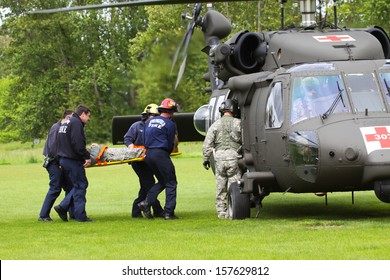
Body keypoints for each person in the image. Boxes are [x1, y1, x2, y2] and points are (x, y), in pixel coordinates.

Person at [138, 98, 179, 220]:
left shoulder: (149, 122)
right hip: (160, 153)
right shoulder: (170, 124)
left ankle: (145, 203)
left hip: (148, 154)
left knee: (162, 181)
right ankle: (168, 213)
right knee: (171, 182)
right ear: (171, 112)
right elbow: (171, 143)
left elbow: (144, 140)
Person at [202, 99, 242, 219]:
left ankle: (221, 212)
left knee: (220, 186)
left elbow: (207, 144)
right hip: (233, 157)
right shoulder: (238, 123)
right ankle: (233, 209)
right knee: (234, 185)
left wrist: (206, 159)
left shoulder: (215, 125)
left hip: (219, 158)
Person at [124, 103, 165, 218]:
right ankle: (158, 210)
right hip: (138, 161)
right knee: (150, 184)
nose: (155, 118)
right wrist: (131, 147)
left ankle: (136, 211)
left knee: (145, 186)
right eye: (153, 115)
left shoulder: (156, 128)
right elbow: (127, 138)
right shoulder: (137, 126)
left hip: (150, 160)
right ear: (146, 115)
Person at [53, 105, 92, 222]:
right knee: (81, 185)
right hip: (72, 160)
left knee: (77, 185)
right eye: (88, 116)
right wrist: (87, 156)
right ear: (83, 114)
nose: (89, 119)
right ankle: (80, 216)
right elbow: (78, 144)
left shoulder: (66, 123)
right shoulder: (76, 123)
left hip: (63, 159)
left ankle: (64, 207)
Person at [38, 110, 74, 222]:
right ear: (66, 118)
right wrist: (60, 163)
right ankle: (43, 215)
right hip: (54, 162)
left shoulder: (61, 127)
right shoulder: (56, 128)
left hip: (59, 162)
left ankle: (72, 214)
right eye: (71, 119)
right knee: (55, 188)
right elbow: (53, 148)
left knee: (70, 187)